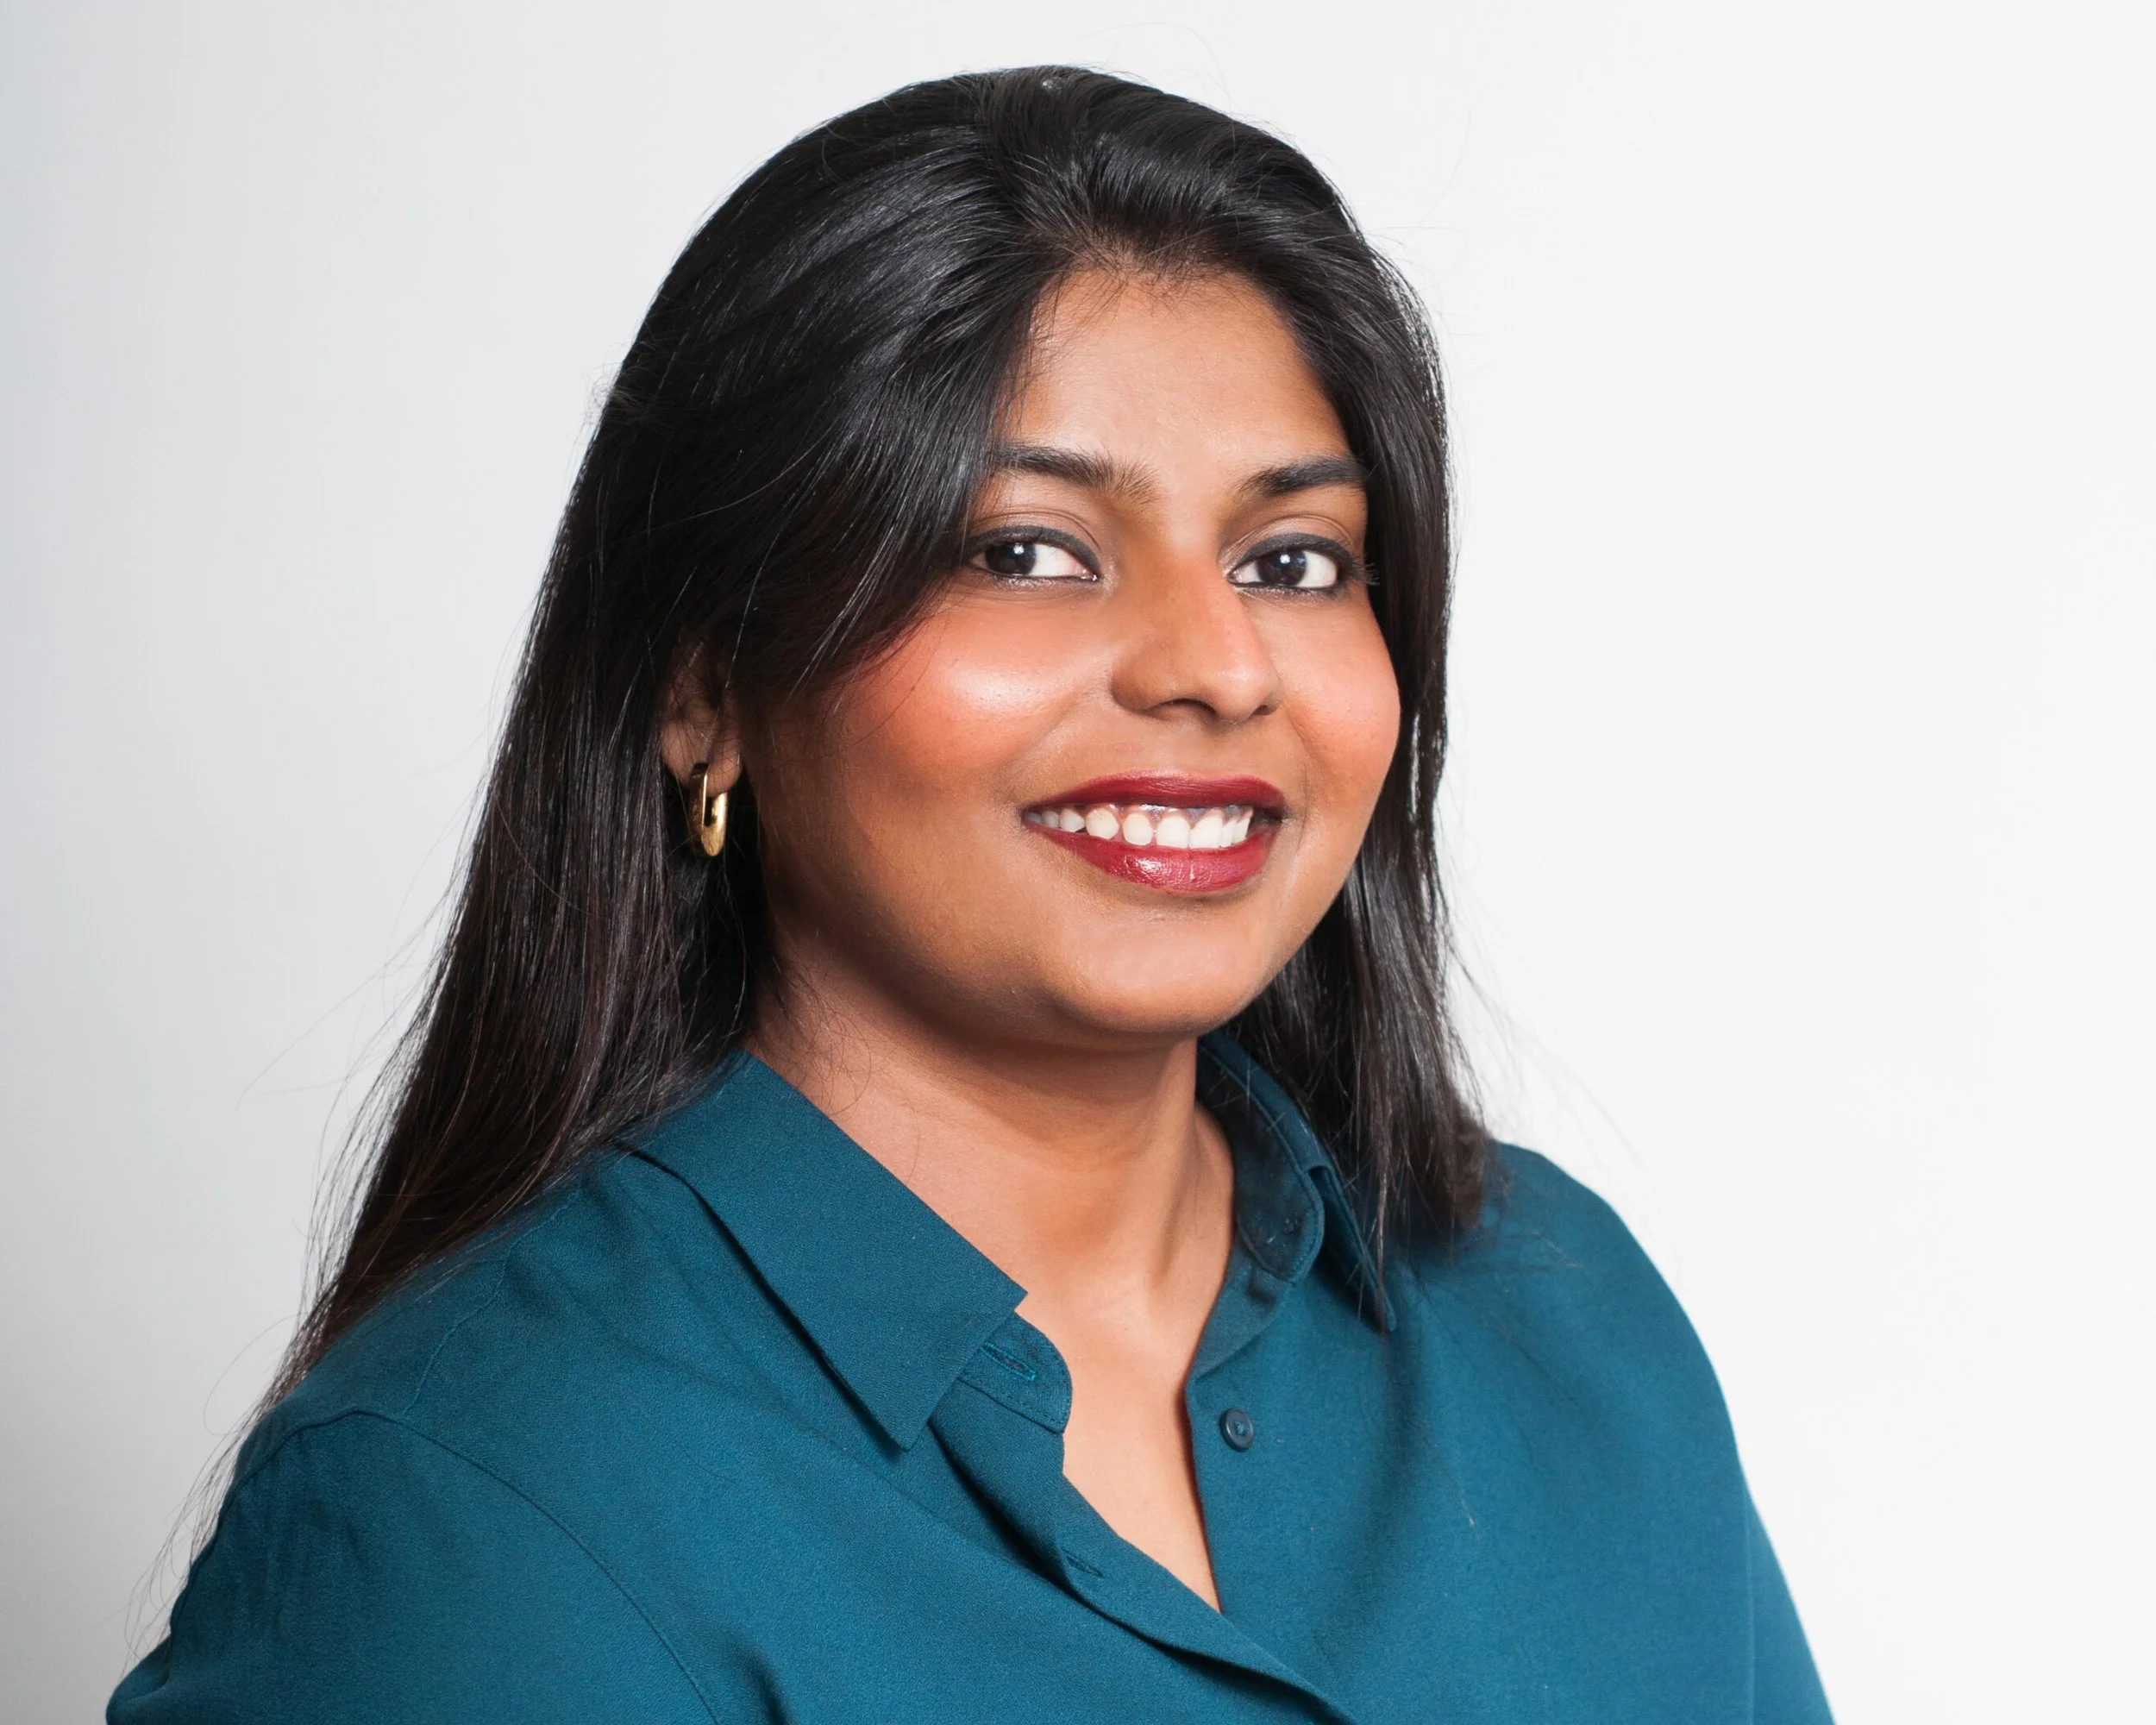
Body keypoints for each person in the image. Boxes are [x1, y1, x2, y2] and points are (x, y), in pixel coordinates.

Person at [111, 67, 1832, 1723]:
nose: (1217, 663)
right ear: (705, 686)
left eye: (1292, 561)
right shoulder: (471, 1521)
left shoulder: (1563, 1320)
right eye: (1026, 552)